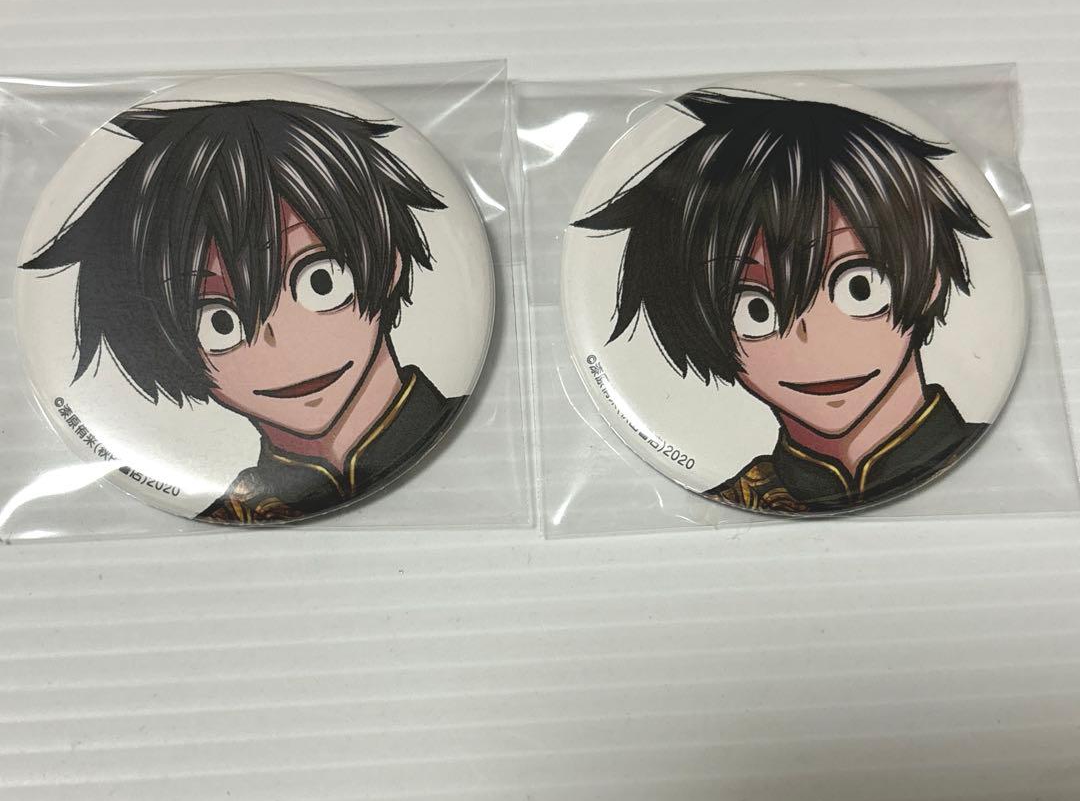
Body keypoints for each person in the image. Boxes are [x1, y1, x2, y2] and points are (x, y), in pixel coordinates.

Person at [21, 98, 464, 524]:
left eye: (320, 282)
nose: (281, 346)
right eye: (220, 321)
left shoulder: (468, 447)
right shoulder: (218, 510)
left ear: (389, 263)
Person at [572, 89, 991, 514]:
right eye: (757, 310)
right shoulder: (730, 498)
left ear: (931, 279)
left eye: (859, 288)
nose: (814, 345)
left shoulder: (992, 464)